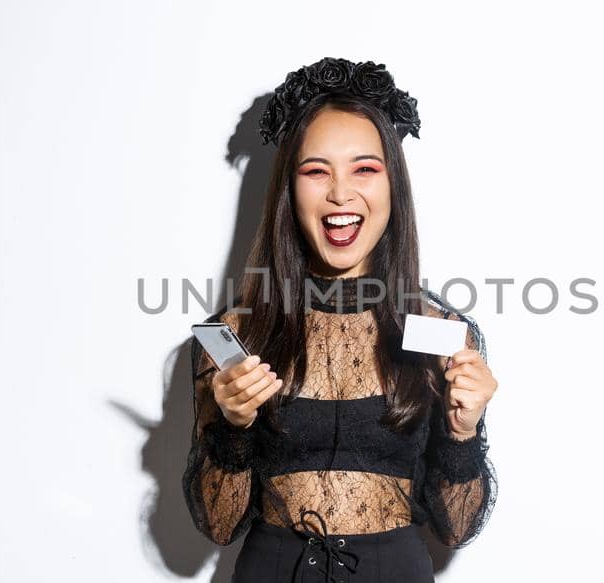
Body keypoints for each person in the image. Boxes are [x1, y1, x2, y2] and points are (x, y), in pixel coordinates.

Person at [182, 57, 500, 583]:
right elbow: (217, 528)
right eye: (315, 171)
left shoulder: (445, 333)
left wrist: (462, 432)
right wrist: (233, 429)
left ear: (393, 186)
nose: (340, 193)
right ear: (290, 188)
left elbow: (457, 529)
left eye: (364, 168)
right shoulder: (235, 335)